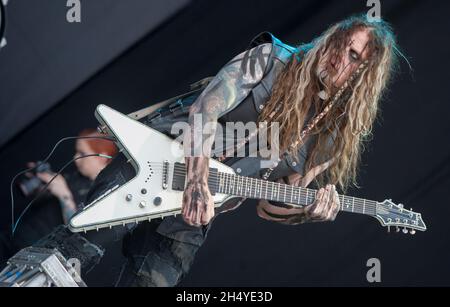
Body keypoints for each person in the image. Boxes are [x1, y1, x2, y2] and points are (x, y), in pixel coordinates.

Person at [82, 14, 402, 286]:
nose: (340, 55)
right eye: (343, 42)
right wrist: (196, 182)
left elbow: (269, 206)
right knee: (74, 253)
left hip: (191, 217)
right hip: (154, 161)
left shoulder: (328, 140)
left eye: (355, 58)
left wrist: (309, 212)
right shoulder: (270, 58)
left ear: (363, 81)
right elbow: (204, 112)